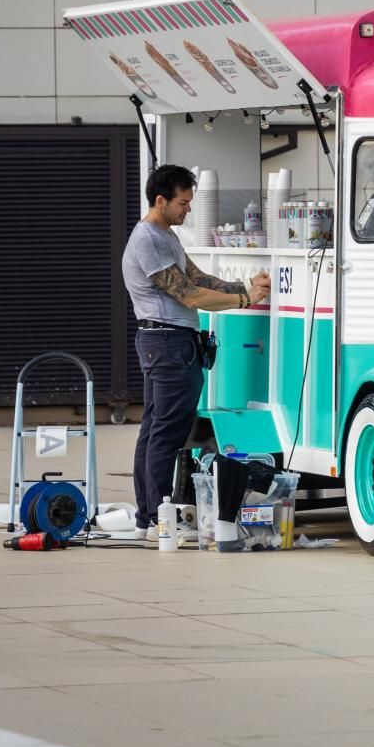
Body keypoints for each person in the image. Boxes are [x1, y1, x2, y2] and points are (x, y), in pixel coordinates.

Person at [122, 164, 270, 537]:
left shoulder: (164, 234)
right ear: (161, 200)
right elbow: (186, 293)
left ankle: (148, 518)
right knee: (167, 434)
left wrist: (242, 285)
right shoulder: (149, 240)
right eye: (183, 202)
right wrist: (242, 298)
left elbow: (197, 277)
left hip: (166, 342)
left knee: (155, 430)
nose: (188, 210)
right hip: (169, 342)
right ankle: (159, 518)